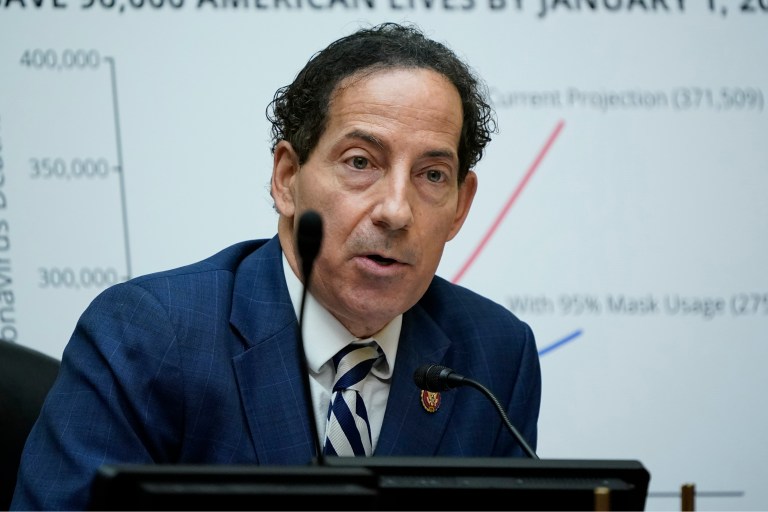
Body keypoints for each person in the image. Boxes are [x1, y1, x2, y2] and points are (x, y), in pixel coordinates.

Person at [11, 22, 542, 511]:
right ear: (287, 178)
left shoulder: (494, 356)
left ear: (460, 207)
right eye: (361, 162)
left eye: (431, 175)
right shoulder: (150, 336)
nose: (396, 210)